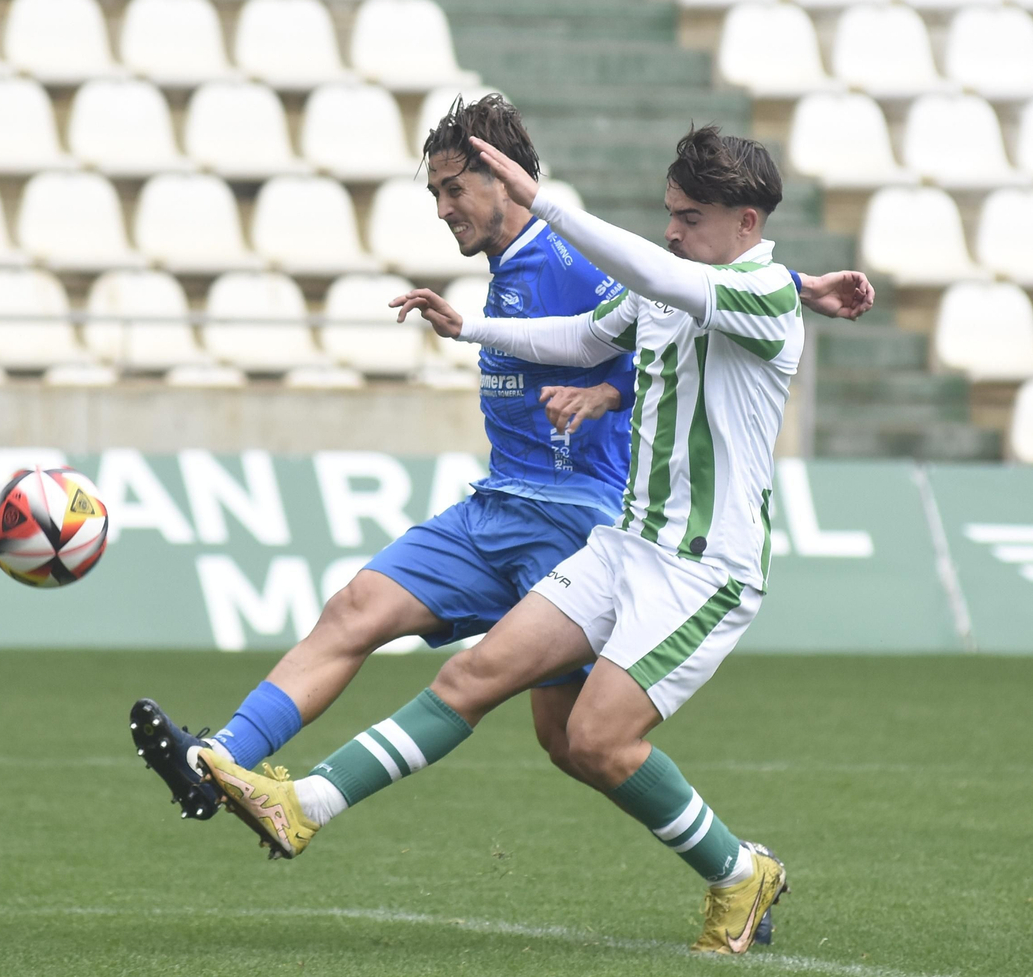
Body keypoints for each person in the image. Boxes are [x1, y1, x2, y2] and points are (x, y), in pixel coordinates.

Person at [195, 125, 876, 955]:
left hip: (705, 572)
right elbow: (585, 338)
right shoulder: (677, 283)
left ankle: (740, 873)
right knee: (470, 676)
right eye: (669, 213)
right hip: (627, 545)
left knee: (593, 741)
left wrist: (540, 202)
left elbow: (660, 274)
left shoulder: (763, 293)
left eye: (690, 218)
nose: (672, 230)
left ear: (746, 223)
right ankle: (302, 806)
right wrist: (471, 332)